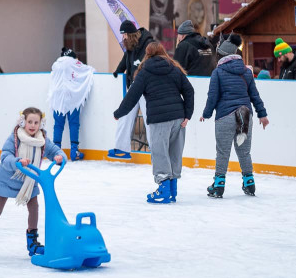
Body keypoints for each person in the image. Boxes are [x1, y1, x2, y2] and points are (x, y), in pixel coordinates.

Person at [0, 107, 64, 259]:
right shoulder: (15, 138)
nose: (32, 125)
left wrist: (59, 156)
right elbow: (5, 156)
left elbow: (55, 150)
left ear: (40, 124)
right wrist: (17, 162)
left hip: (30, 180)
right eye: (29, 121)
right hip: (7, 180)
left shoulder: (42, 140)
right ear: (23, 122)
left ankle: (32, 242)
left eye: (36, 122)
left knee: (34, 208)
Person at [114, 42, 194, 204]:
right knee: (174, 153)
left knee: (159, 152)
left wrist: (119, 113)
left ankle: (164, 190)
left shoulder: (144, 72)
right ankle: (172, 190)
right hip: (178, 118)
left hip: (159, 119)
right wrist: (187, 115)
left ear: (147, 54)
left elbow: (132, 96)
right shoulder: (174, 68)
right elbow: (189, 90)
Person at [201, 34, 269, 198]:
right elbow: (255, 96)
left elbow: (212, 96)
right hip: (245, 115)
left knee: (223, 152)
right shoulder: (246, 72)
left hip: (225, 115)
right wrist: (262, 114)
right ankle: (249, 183)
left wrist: (206, 114)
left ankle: (219, 185)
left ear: (222, 55)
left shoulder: (218, 72)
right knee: (244, 152)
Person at [109, 20, 156, 159]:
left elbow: (149, 62)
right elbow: (126, 58)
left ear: (130, 34)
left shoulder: (148, 43)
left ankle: (156, 150)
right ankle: (122, 149)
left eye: (124, 35)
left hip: (146, 87)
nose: (122, 38)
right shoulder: (130, 44)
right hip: (134, 86)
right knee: (125, 115)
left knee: (149, 118)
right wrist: (118, 70)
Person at [48, 47, 94, 161]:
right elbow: (87, 70)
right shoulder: (74, 62)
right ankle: (74, 151)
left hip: (57, 97)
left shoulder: (56, 64)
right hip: (71, 96)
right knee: (74, 123)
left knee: (58, 124)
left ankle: (56, 152)